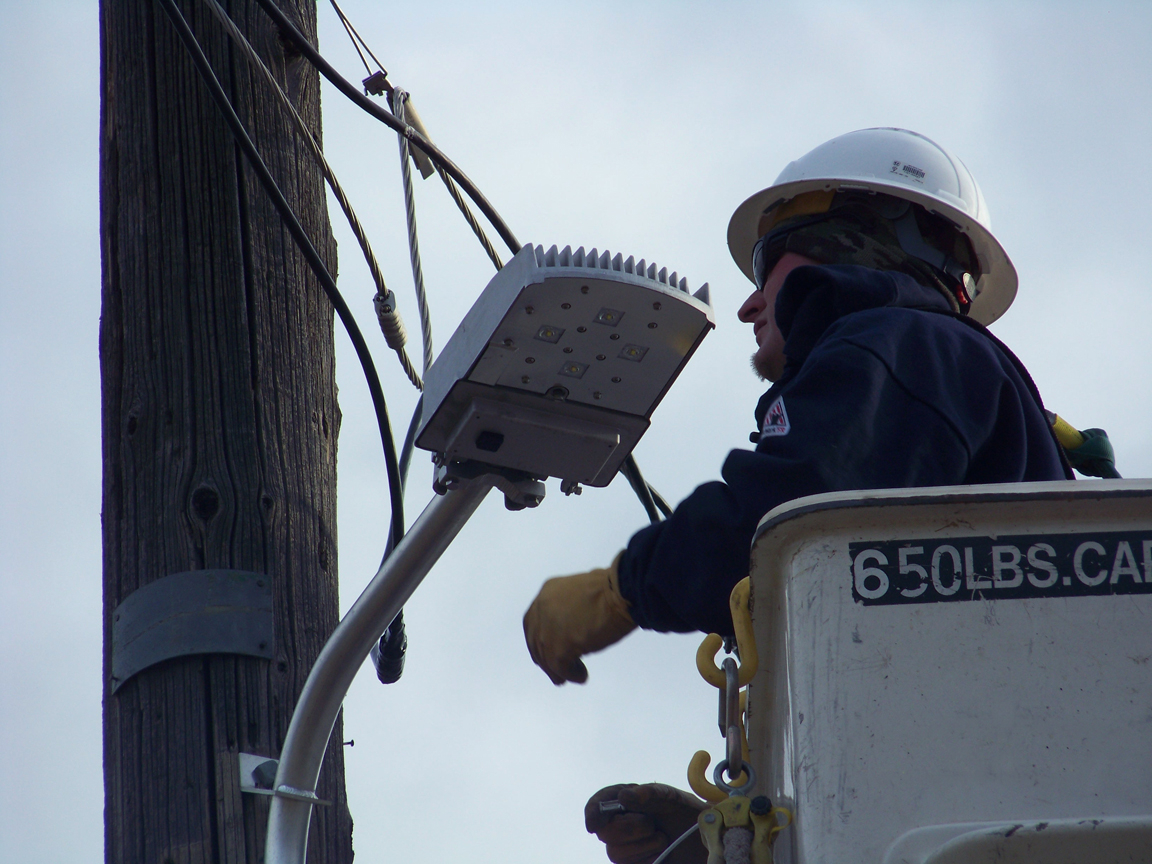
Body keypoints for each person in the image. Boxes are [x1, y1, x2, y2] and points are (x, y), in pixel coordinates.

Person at [522, 128, 1073, 860]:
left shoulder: (899, 344)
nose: (749, 306)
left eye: (765, 267)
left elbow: (790, 509)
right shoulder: (928, 362)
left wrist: (623, 589)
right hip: (968, 786)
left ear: (844, 244)